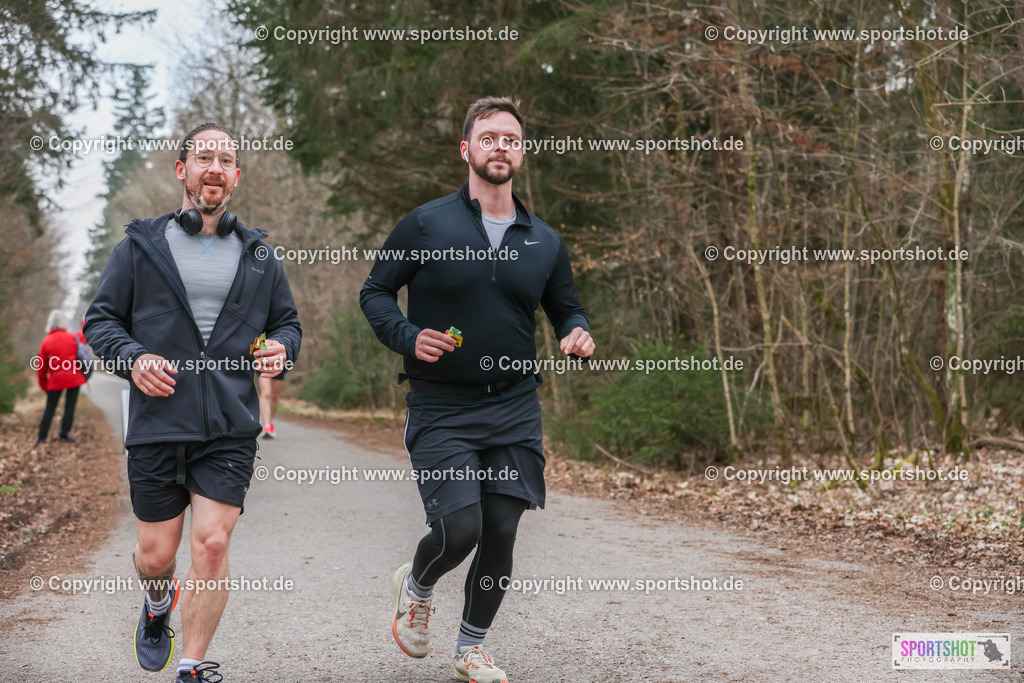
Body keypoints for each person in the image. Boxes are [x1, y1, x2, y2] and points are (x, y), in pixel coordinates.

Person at [360, 96, 595, 683]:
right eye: (488, 137)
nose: (500, 147)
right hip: (440, 404)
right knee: (459, 528)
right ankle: (416, 586)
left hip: (514, 405)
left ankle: (472, 646)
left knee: (503, 529)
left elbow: (565, 307)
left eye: (510, 139)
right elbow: (375, 293)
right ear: (466, 149)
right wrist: (409, 337)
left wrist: (576, 331)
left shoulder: (543, 239)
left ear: (522, 152)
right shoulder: (426, 223)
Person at [85, 122, 301, 683]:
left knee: (210, 543)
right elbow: (101, 321)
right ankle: (158, 607)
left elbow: (287, 324)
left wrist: (282, 348)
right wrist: (132, 359)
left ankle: (192, 666)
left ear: (235, 176)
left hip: (229, 427)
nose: (215, 167)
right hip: (158, 424)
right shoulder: (141, 248)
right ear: (181, 170)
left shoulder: (259, 256)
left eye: (226, 159)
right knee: (156, 557)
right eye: (204, 157)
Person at [35, 310, 87, 445]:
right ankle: (64, 436)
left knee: (49, 409)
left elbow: (41, 369)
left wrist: (44, 385)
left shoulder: (46, 342)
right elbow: (86, 335)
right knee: (70, 408)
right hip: (74, 378)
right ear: (64, 322)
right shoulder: (73, 337)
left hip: (55, 381)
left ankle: (42, 438)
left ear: (50, 323)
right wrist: (84, 321)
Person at [258, 369, 286, 438]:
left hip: (278, 364)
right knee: (266, 394)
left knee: (274, 396)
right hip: (262, 363)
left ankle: (270, 421)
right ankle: (267, 426)